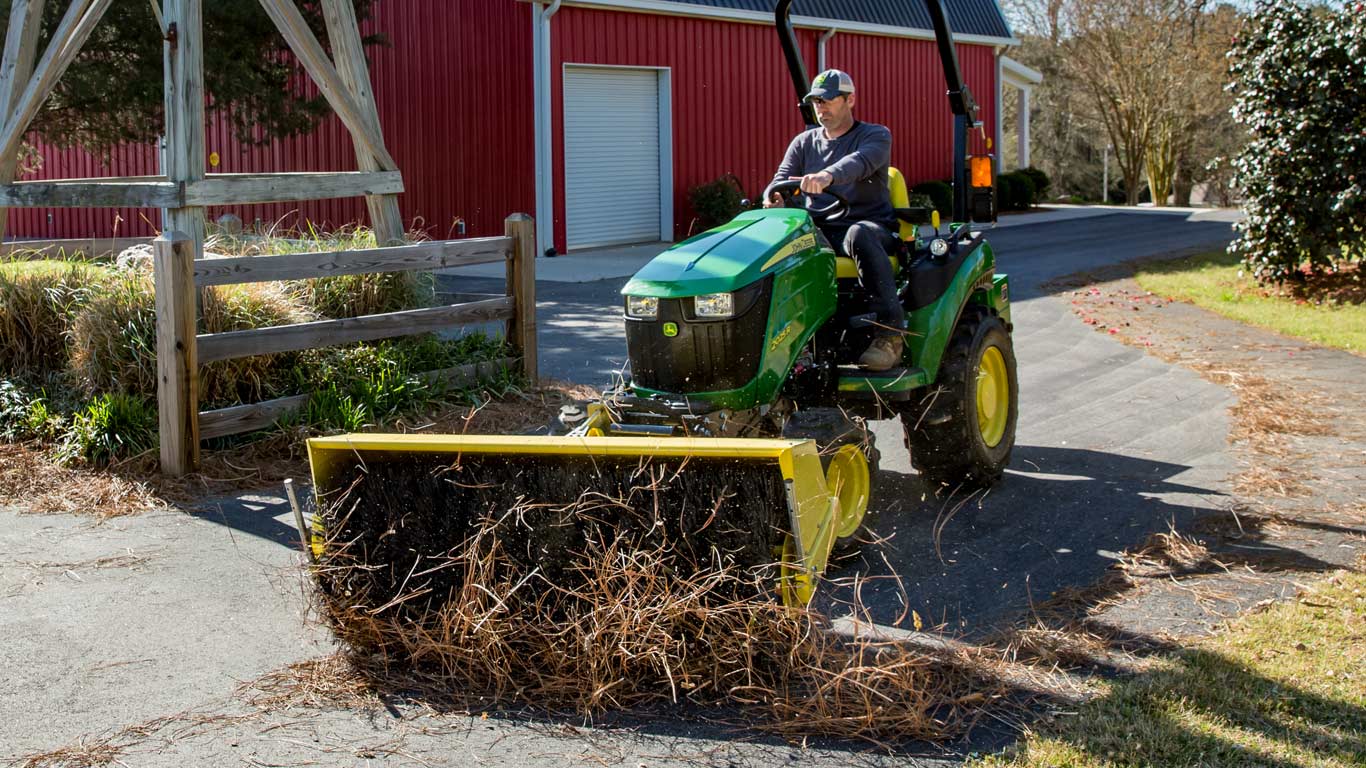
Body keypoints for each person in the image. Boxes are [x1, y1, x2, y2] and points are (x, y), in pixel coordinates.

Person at [765, 69, 904, 371]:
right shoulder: (804, 142)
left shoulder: (875, 135)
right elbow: (780, 179)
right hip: (821, 230)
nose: (821, 108)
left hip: (870, 228)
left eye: (827, 100)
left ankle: (890, 334)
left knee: (858, 234)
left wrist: (828, 176)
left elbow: (859, 162)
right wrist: (772, 196)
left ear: (850, 100)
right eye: (816, 102)